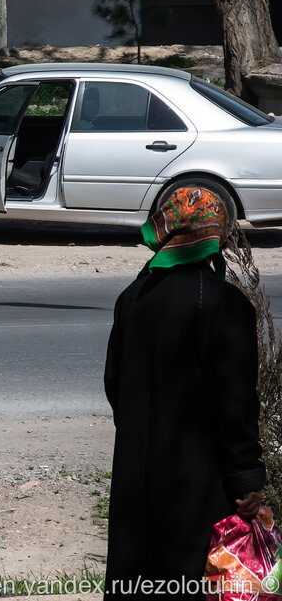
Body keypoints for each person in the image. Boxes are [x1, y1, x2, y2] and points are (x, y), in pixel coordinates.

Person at [104, 186, 264, 600]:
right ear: (217, 234)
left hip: (135, 476)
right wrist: (245, 477)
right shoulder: (224, 304)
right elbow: (236, 402)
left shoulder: (132, 298)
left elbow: (114, 385)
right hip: (198, 481)